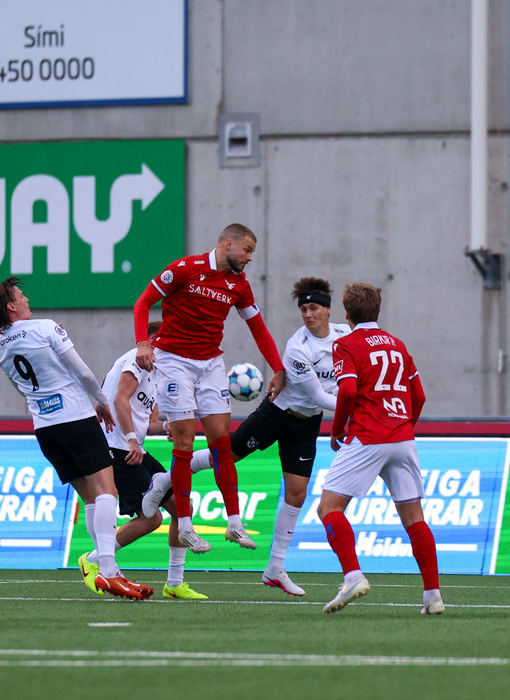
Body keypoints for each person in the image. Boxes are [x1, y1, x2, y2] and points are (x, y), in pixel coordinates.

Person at [142, 277, 349, 597]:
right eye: (303, 309)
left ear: (328, 310)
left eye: (314, 308)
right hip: (276, 415)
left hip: (307, 424)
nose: (308, 315)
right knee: (225, 456)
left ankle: (275, 569)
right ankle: (164, 480)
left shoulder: (344, 336)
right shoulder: (298, 347)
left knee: (297, 494)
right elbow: (320, 396)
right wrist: (359, 407)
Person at [0, 277, 153, 601]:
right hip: (75, 418)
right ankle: (108, 571)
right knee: (107, 491)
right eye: (21, 296)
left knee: (90, 498)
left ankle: (109, 570)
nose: (27, 299)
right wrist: (102, 402)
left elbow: (23, 386)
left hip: (45, 428)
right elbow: (84, 373)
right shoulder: (45, 328)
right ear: (11, 306)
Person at [133, 223, 286, 554]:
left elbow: (258, 328)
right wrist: (143, 342)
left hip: (211, 364)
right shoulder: (185, 269)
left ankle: (234, 523)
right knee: (185, 440)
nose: (249, 258)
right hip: (173, 361)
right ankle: (186, 527)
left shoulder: (239, 285)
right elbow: (143, 303)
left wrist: (278, 368)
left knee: (221, 441)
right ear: (228, 243)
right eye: (247, 250)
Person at [317, 282, 444, 615]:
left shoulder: (345, 344)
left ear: (346, 313)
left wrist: (337, 428)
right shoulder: (398, 344)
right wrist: (404, 426)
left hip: (368, 436)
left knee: (329, 508)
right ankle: (433, 596)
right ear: (378, 309)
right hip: (402, 437)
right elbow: (419, 396)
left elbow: (347, 390)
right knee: (414, 518)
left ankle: (352, 576)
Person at [78, 321, 207, 600]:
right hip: (117, 449)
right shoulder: (136, 361)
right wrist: (132, 440)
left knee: (183, 507)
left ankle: (174, 584)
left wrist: (168, 426)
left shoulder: (159, 371)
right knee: (151, 519)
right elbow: (119, 400)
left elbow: (149, 423)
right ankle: (93, 559)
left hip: (133, 447)